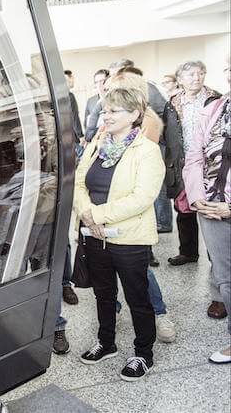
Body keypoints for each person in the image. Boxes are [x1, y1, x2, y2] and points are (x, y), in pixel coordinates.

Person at [74, 87, 164, 381]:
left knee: (137, 297)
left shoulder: (147, 150)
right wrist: (87, 213)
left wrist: (97, 215)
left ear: (135, 115)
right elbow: (78, 183)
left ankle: (143, 354)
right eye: (105, 110)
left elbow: (142, 197)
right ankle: (107, 342)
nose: (106, 116)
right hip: (94, 234)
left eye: (114, 111)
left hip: (129, 238)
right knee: (103, 294)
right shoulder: (97, 144)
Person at [98, 70, 176, 342]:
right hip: (106, 210)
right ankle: (115, 310)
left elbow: (138, 174)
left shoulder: (150, 123)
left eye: (112, 91)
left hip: (129, 213)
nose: (105, 95)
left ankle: (160, 314)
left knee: (140, 271)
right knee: (107, 270)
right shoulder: (108, 123)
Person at [183, 57, 231, 364]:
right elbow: (195, 157)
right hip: (211, 207)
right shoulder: (214, 109)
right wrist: (198, 198)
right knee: (226, 278)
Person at [84, 69, 109, 142]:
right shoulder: (91, 101)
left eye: (102, 81)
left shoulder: (115, 99)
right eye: (96, 82)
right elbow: (87, 126)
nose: (99, 85)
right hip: (95, 139)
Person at [64, 70, 85, 152]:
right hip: (74, 138)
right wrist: (80, 136)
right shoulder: (69, 96)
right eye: (72, 78)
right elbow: (74, 117)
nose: (73, 81)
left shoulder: (58, 98)